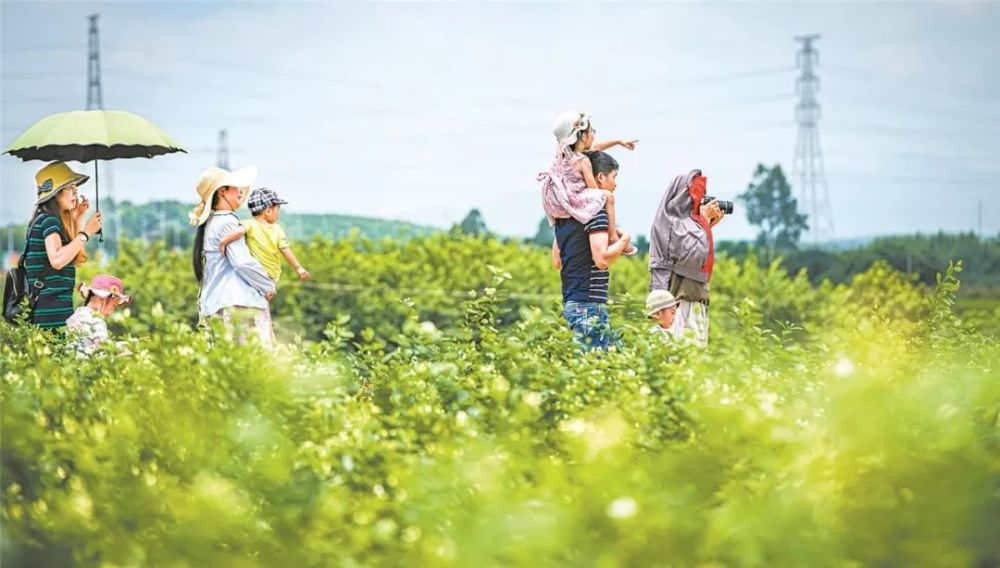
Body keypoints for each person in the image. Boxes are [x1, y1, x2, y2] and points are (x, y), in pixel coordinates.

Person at [551, 151, 632, 351]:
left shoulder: (565, 216)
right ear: (600, 178)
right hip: (589, 305)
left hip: (571, 302)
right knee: (594, 370)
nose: (615, 185)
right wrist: (624, 241)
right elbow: (602, 260)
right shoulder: (595, 215)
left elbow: (557, 261)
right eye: (614, 177)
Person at [189, 166, 277, 344]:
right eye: (235, 187)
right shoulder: (228, 222)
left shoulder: (212, 222)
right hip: (238, 302)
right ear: (223, 191)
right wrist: (267, 284)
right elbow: (242, 263)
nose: (240, 191)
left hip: (217, 301)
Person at [538, 110, 638, 255]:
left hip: (562, 198)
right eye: (592, 131)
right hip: (576, 197)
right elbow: (593, 189)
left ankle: (611, 231)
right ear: (583, 136)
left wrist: (618, 142)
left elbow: (595, 148)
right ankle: (612, 236)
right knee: (607, 198)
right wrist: (602, 192)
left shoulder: (565, 154)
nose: (594, 135)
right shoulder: (583, 161)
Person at [648, 169, 726, 347]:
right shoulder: (669, 223)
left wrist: (707, 225)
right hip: (679, 304)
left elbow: (693, 253)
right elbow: (692, 255)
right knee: (684, 361)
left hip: (695, 300)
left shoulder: (687, 226)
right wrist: (703, 223)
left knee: (695, 363)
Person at [23, 161, 102, 331]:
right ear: (57, 193)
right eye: (72, 189)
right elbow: (58, 259)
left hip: (51, 311)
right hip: (50, 314)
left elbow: (74, 257)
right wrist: (87, 231)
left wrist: (76, 218)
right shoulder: (50, 221)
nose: (75, 195)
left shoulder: (43, 220)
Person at [218, 187, 310, 283]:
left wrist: (224, 241)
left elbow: (239, 232)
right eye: (277, 209)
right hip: (273, 274)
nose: (279, 212)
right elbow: (285, 249)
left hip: (255, 273)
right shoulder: (277, 229)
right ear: (268, 211)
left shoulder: (250, 224)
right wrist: (298, 268)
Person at [66, 274, 131, 354]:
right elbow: (103, 346)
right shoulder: (95, 320)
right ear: (101, 298)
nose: (111, 311)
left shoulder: (77, 315)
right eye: (113, 305)